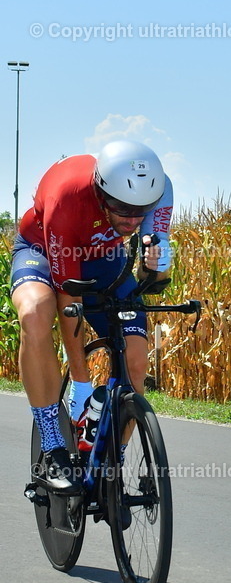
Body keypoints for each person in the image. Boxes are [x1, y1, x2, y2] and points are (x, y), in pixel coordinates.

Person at [10, 140, 173, 493]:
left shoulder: (160, 189)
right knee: (36, 313)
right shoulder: (66, 198)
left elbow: (156, 276)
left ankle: (111, 464)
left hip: (104, 260)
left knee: (135, 363)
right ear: (101, 192)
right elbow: (69, 300)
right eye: (122, 210)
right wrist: (82, 384)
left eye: (139, 211)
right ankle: (53, 446)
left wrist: (157, 263)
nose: (131, 220)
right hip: (42, 250)